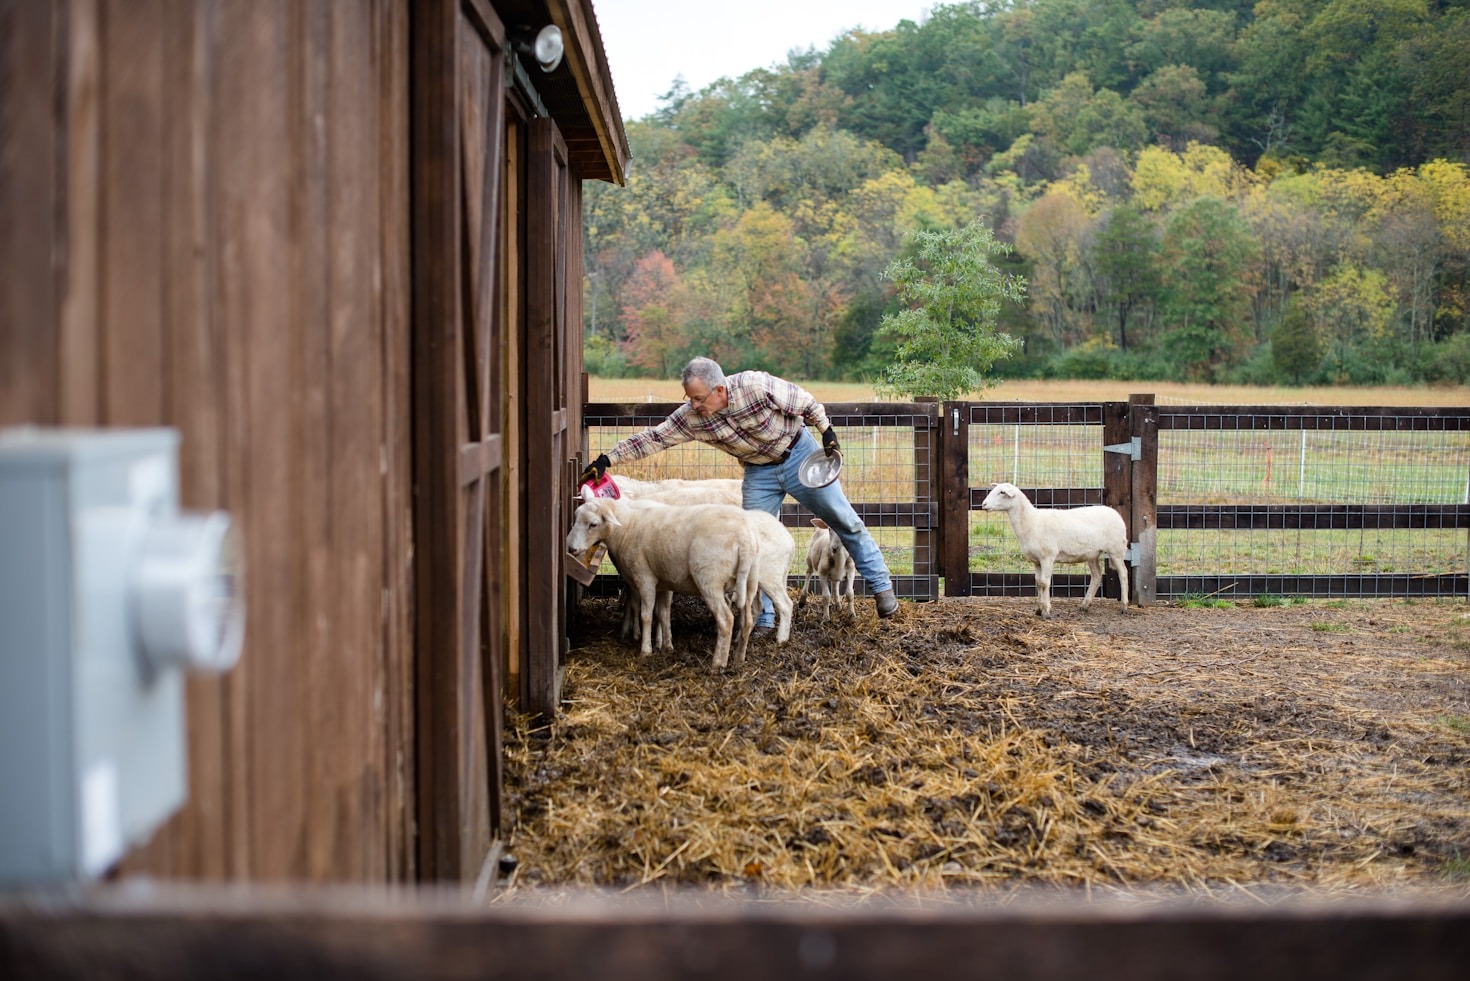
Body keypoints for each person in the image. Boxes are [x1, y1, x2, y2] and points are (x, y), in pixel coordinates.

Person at [580, 357, 899, 630]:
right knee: (752, 539)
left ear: (719, 390)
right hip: (759, 472)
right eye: (689, 398)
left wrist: (827, 432)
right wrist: (608, 459)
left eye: (699, 398)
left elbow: (806, 403)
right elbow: (654, 438)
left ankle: (882, 587)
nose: (694, 405)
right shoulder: (692, 417)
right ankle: (764, 619)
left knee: (843, 519)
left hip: (799, 455)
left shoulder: (755, 386)